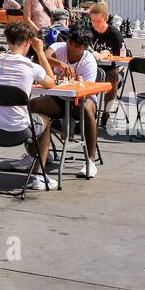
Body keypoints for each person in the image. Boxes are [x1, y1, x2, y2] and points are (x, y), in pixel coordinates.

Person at [0, 22, 57, 191]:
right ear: (28, 42)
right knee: (45, 120)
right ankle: (39, 175)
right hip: (19, 130)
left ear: (6, 39)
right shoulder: (30, 66)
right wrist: (40, 51)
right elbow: (51, 82)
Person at [46, 27, 101, 178]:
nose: (72, 47)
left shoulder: (88, 61)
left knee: (86, 109)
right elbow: (43, 57)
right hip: (59, 98)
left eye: (78, 46)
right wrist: (61, 64)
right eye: (70, 42)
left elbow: (86, 91)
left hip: (82, 99)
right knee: (34, 106)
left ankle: (90, 160)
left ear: (84, 47)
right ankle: (36, 153)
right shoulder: (59, 48)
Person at [81, 0, 126, 129]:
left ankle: (106, 113)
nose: (95, 24)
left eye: (98, 21)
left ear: (105, 18)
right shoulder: (89, 32)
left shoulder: (115, 35)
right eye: (93, 21)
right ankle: (84, 112)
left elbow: (122, 59)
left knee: (113, 76)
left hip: (111, 69)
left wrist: (108, 58)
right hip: (92, 68)